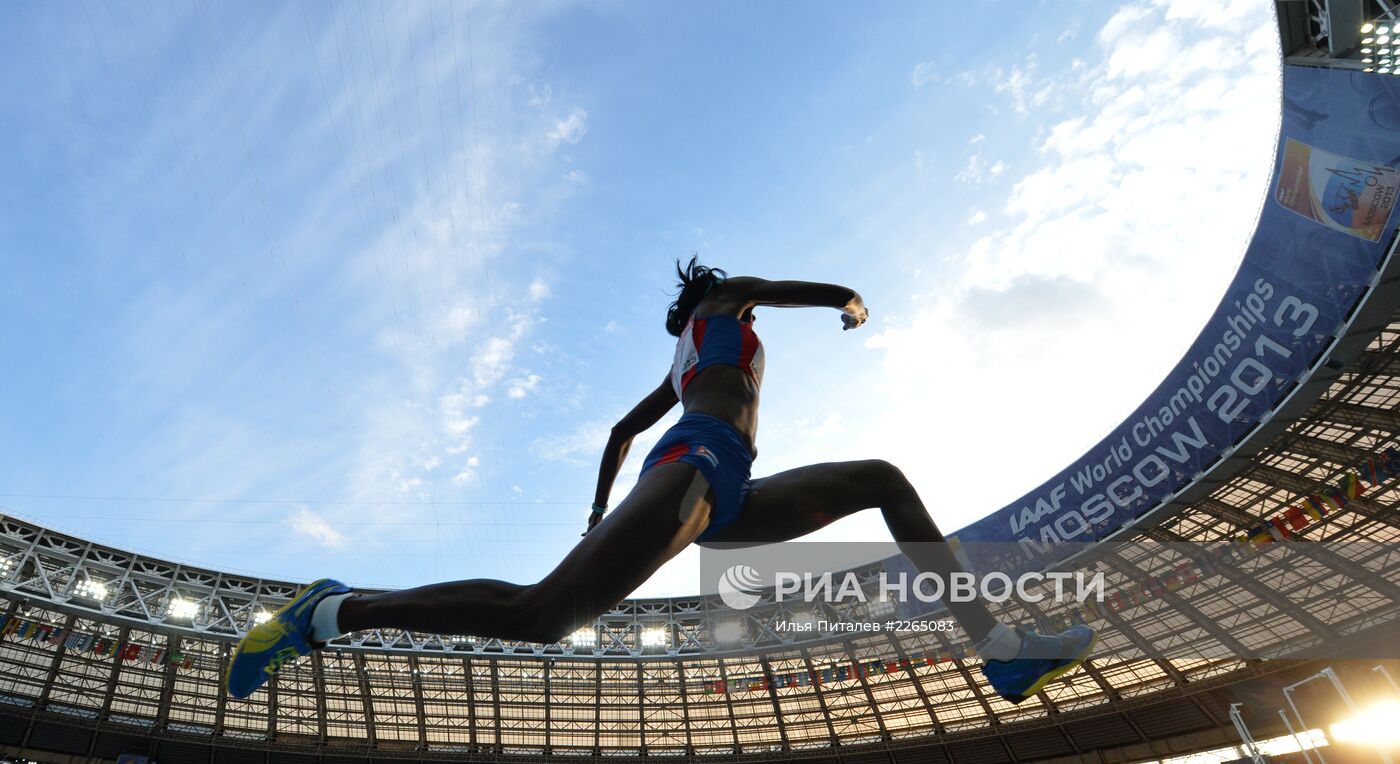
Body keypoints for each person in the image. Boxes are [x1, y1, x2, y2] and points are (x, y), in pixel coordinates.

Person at [226, 258, 1094, 703]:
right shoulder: (729, 305)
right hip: (697, 466)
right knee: (542, 617)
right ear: (716, 296)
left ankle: (1003, 653)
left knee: (883, 480)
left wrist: (600, 504)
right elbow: (800, 289)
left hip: (727, 483)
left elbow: (615, 431)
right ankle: (333, 610)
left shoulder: (679, 362)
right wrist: (850, 299)